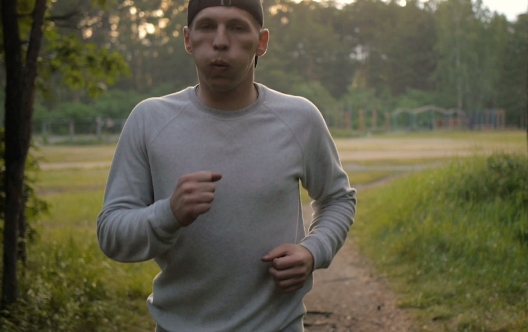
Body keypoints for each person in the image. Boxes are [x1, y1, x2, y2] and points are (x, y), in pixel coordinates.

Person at [96, 0, 356, 330]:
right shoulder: (149, 120)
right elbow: (111, 233)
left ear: (261, 41)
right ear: (188, 39)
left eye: (236, 27)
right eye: (207, 27)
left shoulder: (300, 118)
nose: (220, 41)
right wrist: (168, 213)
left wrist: (313, 251)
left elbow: (337, 198)